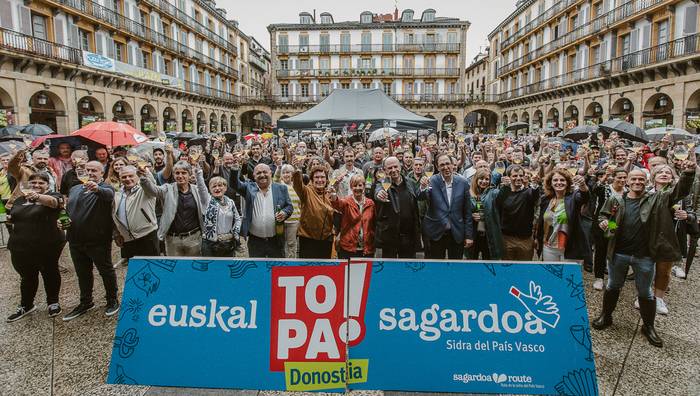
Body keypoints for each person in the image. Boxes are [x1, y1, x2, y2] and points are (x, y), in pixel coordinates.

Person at [593, 163, 695, 348]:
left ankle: (648, 327)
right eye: (634, 179)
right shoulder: (617, 200)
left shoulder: (656, 198)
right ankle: (606, 316)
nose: (637, 181)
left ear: (646, 181)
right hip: (619, 254)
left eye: (641, 179)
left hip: (644, 256)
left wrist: (688, 173)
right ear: (627, 182)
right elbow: (604, 216)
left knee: (646, 293)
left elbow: (678, 192)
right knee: (613, 286)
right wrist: (606, 224)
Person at [62, 161, 119, 321]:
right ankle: (86, 302)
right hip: (75, 239)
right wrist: (63, 220)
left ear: (102, 173)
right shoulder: (74, 189)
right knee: (82, 273)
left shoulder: (106, 188)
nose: (90, 173)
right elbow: (69, 210)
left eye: (94, 170)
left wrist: (97, 188)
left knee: (106, 270)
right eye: (87, 170)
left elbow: (108, 196)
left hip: (97, 239)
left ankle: (112, 299)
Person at [6, 172, 65, 322]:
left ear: (47, 185)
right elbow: (13, 217)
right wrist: (9, 219)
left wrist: (38, 197)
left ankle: (53, 302)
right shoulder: (20, 199)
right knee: (27, 276)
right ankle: (26, 305)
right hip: (20, 246)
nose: (37, 186)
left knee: (49, 272)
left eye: (41, 183)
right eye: (33, 183)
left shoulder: (54, 195)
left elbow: (54, 203)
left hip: (47, 245)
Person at [141, 160, 204, 256]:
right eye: (177, 173)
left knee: (193, 268)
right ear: (173, 175)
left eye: (184, 173)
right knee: (175, 269)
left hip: (194, 238)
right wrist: (143, 178)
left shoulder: (196, 190)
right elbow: (153, 190)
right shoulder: (167, 188)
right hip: (173, 239)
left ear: (189, 174)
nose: (180, 176)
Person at [231, 163, 293, 258]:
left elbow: (289, 207)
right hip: (255, 241)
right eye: (259, 173)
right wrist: (235, 168)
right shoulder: (249, 188)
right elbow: (234, 184)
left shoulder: (281, 188)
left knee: (276, 269)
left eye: (265, 172)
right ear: (254, 176)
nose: (262, 175)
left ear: (270, 173)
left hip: (276, 240)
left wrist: (285, 212)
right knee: (257, 270)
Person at [419, 154, 474, 259]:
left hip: (456, 232)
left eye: (447, 164)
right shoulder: (432, 181)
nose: (445, 167)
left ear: (453, 165)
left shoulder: (462, 182)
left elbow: (467, 211)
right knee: (436, 268)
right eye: (442, 165)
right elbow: (421, 197)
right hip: (436, 232)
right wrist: (422, 187)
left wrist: (469, 236)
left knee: (455, 267)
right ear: (438, 167)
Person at [535, 169, 590, 262]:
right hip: (549, 246)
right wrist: (537, 238)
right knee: (551, 275)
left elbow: (585, 197)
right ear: (550, 183)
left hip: (569, 246)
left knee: (568, 276)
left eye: (562, 180)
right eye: (555, 180)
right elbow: (541, 221)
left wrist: (583, 185)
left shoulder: (573, 197)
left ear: (568, 183)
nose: (559, 182)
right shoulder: (546, 199)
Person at [375, 156, 421, 258]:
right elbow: (377, 191)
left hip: (408, 236)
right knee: (389, 269)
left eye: (395, 166)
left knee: (407, 268)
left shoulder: (410, 182)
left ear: (400, 166)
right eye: (390, 168)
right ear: (385, 170)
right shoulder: (382, 183)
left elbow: (419, 197)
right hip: (389, 237)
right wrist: (379, 194)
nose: (393, 170)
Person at [591, 168, 627, 290]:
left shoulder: (627, 192)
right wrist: (605, 175)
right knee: (601, 250)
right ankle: (599, 278)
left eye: (624, 177)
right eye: (619, 177)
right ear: (614, 177)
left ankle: (614, 278)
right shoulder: (606, 188)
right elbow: (595, 189)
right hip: (604, 222)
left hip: (620, 225)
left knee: (616, 251)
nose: (622, 180)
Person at [112, 166, 159, 259]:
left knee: (152, 269)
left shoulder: (144, 190)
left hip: (147, 236)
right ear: (120, 179)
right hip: (127, 240)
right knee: (134, 271)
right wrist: (116, 234)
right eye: (124, 177)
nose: (127, 179)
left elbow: (151, 185)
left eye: (130, 176)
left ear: (137, 176)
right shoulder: (116, 195)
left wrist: (146, 174)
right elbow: (113, 216)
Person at [194, 166, 241, 257]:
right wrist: (199, 174)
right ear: (210, 189)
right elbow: (201, 188)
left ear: (225, 188)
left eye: (220, 185)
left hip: (228, 243)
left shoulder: (231, 202)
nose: (217, 188)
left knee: (227, 269)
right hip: (210, 244)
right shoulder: (206, 200)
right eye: (214, 186)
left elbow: (238, 219)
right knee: (211, 270)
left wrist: (234, 233)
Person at [496, 165, 540, 261]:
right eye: (515, 176)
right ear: (509, 177)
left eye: (521, 175)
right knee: (507, 269)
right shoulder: (503, 193)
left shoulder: (528, 192)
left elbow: (535, 195)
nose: (518, 178)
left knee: (524, 270)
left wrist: (535, 184)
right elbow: (497, 208)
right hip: (506, 239)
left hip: (525, 239)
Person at [292, 163, 335, 258]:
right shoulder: (306, 191)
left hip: (326, 240)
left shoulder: (330, 194)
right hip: (308, 239)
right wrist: (297, 169)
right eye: (317, 177)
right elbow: (298, 184)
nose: (320, 180)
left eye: (322, 177)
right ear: (312, 179)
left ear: (327, 180)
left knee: (324, 270)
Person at [330, 174, 375, 258]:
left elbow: (373, 224)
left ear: (364, 187)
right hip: (348, 248)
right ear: (351, 187)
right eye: (354, 185)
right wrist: (333, 195)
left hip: (367, 248)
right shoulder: (346, 201)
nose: (357, 188)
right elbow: (337, 204)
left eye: (360, 185)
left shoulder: (371, 203)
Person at [468, 168, 504, 260]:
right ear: (476, 179)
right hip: (473, 234)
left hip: (488, 234)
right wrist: (471, 216)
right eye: (481, 179)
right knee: (471, 262)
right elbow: (463, 212)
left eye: (487, 179)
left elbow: (501, 206)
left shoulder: (494, 192)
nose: (484, 181)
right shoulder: (468, 193)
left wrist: (505, 187)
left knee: (489, 262)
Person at [276, 164, 301, 258]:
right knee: (280, 244)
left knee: (291, 244)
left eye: (288, 172)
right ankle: (281, 262)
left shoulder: (297, 186)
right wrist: (278, 168)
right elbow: (275, 178)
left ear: (292, 174)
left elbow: (300, 205)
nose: (286, 175)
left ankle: (291, 263)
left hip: (294, 221)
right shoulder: (279, 185)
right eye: (284, 173)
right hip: (281, 220)